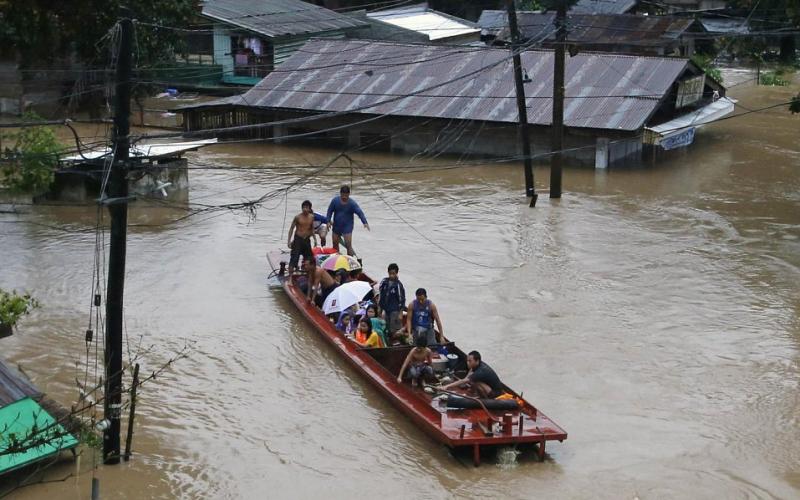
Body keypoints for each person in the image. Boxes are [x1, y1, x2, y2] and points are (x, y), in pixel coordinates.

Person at [326, 185, 369, 256]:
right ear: (340, 194)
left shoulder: (352, 203)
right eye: (342, 195)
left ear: (349, 194)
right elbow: (329, 211)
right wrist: (328, 221)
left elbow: (359, 212)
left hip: (347, 227)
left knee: (348, 245)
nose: (344, 197)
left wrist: (365, 222)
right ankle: (337, 258)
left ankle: (350, 261)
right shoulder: (335, 201)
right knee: (335, 243)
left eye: (346, 195)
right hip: (336, 225)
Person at [378, 263, 406, 338]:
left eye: (393, 274)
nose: (391, 275)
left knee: (395, 329)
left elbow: (402, 299)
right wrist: (380, 309)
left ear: (396, 273)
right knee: (386, 327)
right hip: (386, 309)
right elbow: (381, 295)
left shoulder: (398, 285)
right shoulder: (384, 282)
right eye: (390, 273)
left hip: (395, 310)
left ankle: (398, 342)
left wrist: (400, 313)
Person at [287, 200, 315, 274]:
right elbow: (291, 228)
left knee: (309, 258)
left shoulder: (312, 217)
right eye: (304, 207)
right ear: (302, 208)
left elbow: (312, 229)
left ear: (309, 209)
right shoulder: (297, 217)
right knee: (294, 258)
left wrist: (315, 240)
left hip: (306, 240)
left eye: (307, 207)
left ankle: (308, 274)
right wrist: (289, 241)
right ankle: (290, 278)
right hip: (298, 239)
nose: (305, 209)